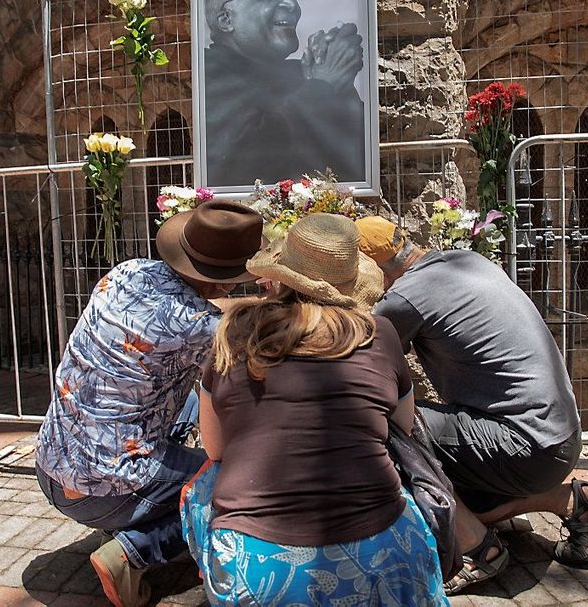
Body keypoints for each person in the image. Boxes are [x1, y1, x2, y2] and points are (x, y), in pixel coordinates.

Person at [180, 214, 448, 606]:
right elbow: (399, 429)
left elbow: (216, 448)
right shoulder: (380, 333)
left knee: (202, 486)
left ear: (282, 274)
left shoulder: (233, 333)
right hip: (383, 551)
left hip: (256, 566)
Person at [356, 216, 588, 595]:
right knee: (455, 494)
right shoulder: (464, 259)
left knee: (387, 429)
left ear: (375, 272)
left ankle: (478, 549)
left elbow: (358, 356)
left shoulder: (404, 298)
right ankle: (573, 500)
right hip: (559, 439)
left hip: (525, 446)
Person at [34, 201, 264, 607]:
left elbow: (194, 313)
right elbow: (231, 344)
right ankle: (134, 550)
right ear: (227, 280)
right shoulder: (203, 328)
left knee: (189, 405)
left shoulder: (127, 272)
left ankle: (137, 507)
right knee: (235, 483)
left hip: (51, 462)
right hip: (103, 490)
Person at [203, 0, 366, 186]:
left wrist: (334, 80)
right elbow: (241, 163)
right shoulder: (210, 71)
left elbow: (354, 159)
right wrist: (323, 85)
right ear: (226, 20)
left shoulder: (300, 72)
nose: (291, 4)